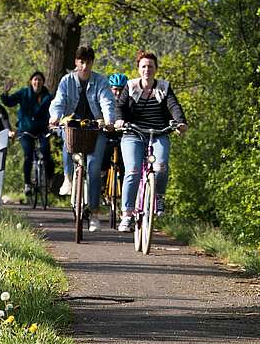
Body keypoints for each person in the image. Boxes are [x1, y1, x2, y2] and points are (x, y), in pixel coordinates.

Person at [114, 50, 188, 232]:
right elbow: (119, 107)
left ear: (156, 69)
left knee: (161, 166)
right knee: (132, 170)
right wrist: (119, 120)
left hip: (158, 133)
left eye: (151, 66)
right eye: (144, 66)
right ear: (138, 69)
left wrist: (180, 122)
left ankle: (159, 197)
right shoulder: (130, 86)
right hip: (133, 134)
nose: (147, 69)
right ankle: (127, 214)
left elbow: (173, 106)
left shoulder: (164, 87)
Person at [49, 45, 116, 232]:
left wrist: (109, 120)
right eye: (81, 62)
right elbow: (59, 101)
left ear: (92, 62)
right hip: (73, 125)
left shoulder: (100, 81)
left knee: (94, 168)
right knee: (67, 136)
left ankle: (94, 213)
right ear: (76, 62)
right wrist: (55, 116)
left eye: (88, 62)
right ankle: (68, 177)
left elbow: (107, 101)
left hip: (96, 126)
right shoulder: (66, 81)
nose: (85, 66)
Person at [1, 71, 55, 195]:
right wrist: (5, 93)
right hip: (25, 130)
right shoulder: (23, 93)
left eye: (40, 80)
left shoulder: (48, 96)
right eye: (35, 79)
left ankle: (48, 179)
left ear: (43, 82)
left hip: (42, 129)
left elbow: (55, 110)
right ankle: (27, 184)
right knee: (28, 155)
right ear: (31, 81)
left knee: (46, 152)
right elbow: (9, 102)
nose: (37, 82)